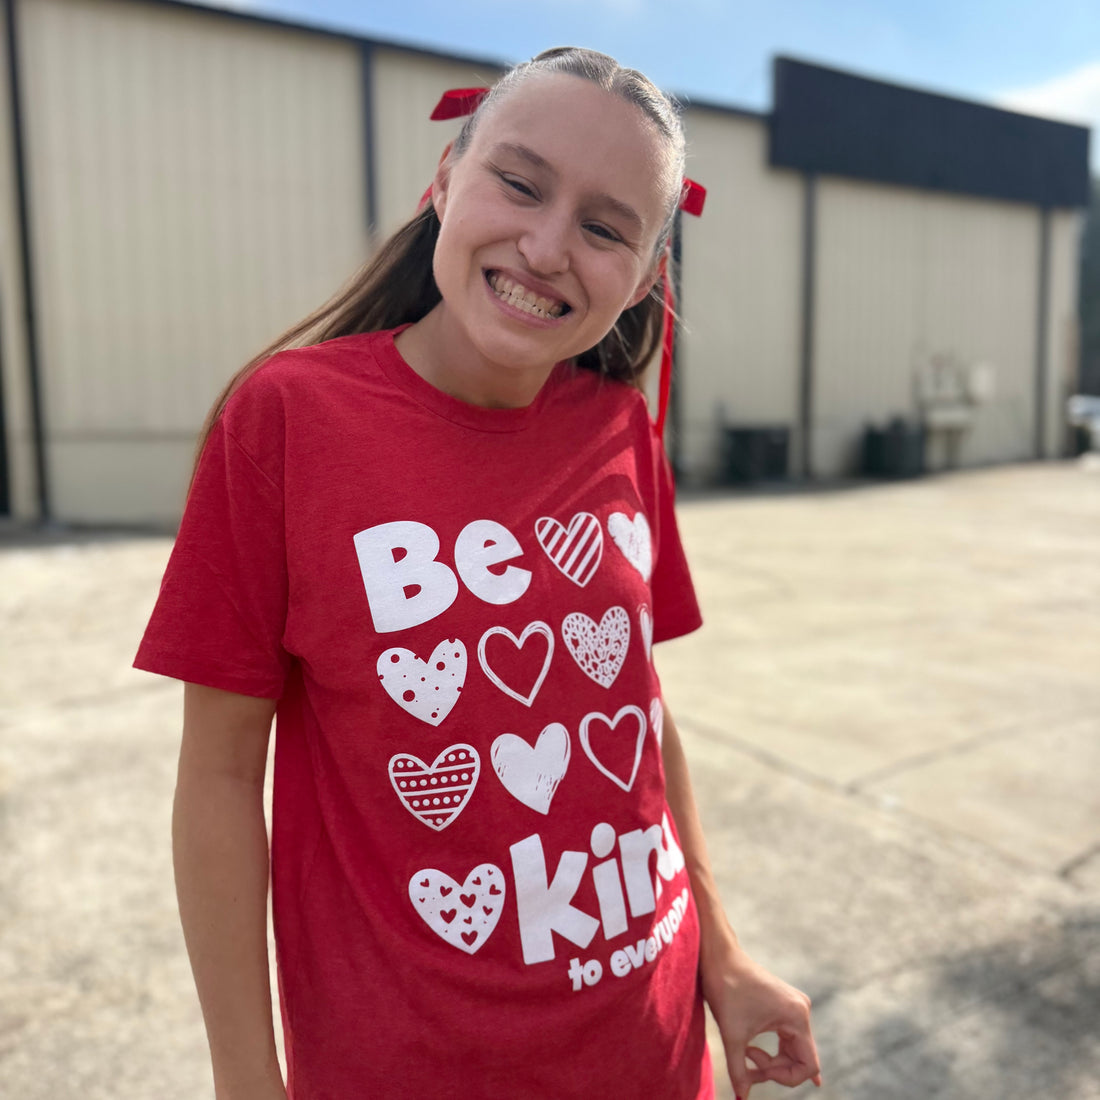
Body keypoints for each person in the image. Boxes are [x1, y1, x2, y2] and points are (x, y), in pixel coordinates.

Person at [135, 46, 821, 1100]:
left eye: (605, 227)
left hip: (651, 1040)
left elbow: (636, 707)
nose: (547, 247)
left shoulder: (618, 430)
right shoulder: (286, 419)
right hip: (404, 1067)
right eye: (519, 180)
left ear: (644, 275)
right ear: (446, 179)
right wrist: (244, 1075)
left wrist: (720, 954)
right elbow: (221, 775)